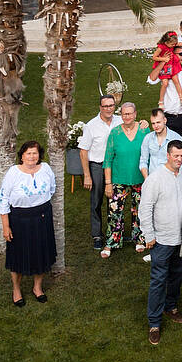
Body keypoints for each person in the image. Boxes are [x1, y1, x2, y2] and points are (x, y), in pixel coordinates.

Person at [140, 140, 182, 345]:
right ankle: (154, 322)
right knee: (158, 280)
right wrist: (149, 235)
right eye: (176, 156)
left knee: (177, 276)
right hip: (162, 239)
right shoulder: (155, 179)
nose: (179, 159)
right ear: (168, 155)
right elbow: (145, 208)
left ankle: (170, 307)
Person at [0, 140, 57, 306]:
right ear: (22, 156)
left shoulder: (46, 169)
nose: (32, 156)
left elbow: (52, 188)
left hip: (42, 218)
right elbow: (3, 199)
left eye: (35, 153)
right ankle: (16, 289)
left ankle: (37, 287)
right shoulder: (13, 173)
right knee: (18, 256)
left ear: (39, 155)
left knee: (41, 254)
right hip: (19, 220)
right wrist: (6, 226)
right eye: (28, 153)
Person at [102, 102, 148, 258]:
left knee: (140, 210)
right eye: (124, 114)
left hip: (139, 178)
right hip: (118, 179)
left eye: (129, 113)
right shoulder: (115, 133)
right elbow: (108, 159)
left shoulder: (144, 130)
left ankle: (139, 239)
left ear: (135, 114)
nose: (127, 116)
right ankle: (112, 241)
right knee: (115, 212)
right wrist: (108, 183)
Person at [78, 95, 122, 252]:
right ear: (100, 108)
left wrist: (143, 123)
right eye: (105, 106)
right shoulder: (91, 126)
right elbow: (83, 151)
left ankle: (114, 232)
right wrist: (87, 175)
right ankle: (97, 235)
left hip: (115, 165)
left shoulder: (120, 121)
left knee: (115, 200)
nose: (109, 109)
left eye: (111, 105)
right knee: (96, 201)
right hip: (97, 165)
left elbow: (134, 126)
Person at [139, 108, 182, 179]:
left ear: (165, 120)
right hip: (153, 179)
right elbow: (143, 161)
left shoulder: (176, 138)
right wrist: (147, 179)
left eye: (158, 122)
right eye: (153, 123)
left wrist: (175, 178)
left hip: (171, 179)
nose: (156, 126)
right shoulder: (148, 138)